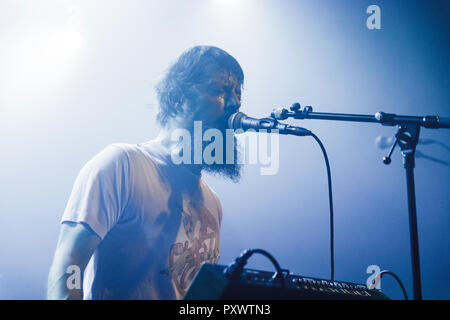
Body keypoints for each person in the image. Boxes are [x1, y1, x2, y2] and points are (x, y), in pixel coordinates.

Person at [47, 45, 244, 299]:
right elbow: (70, 262)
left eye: (239, 94)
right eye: (221, 90)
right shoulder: (122, 166)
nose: (235, 104)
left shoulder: (213, 203)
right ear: (178, 98)